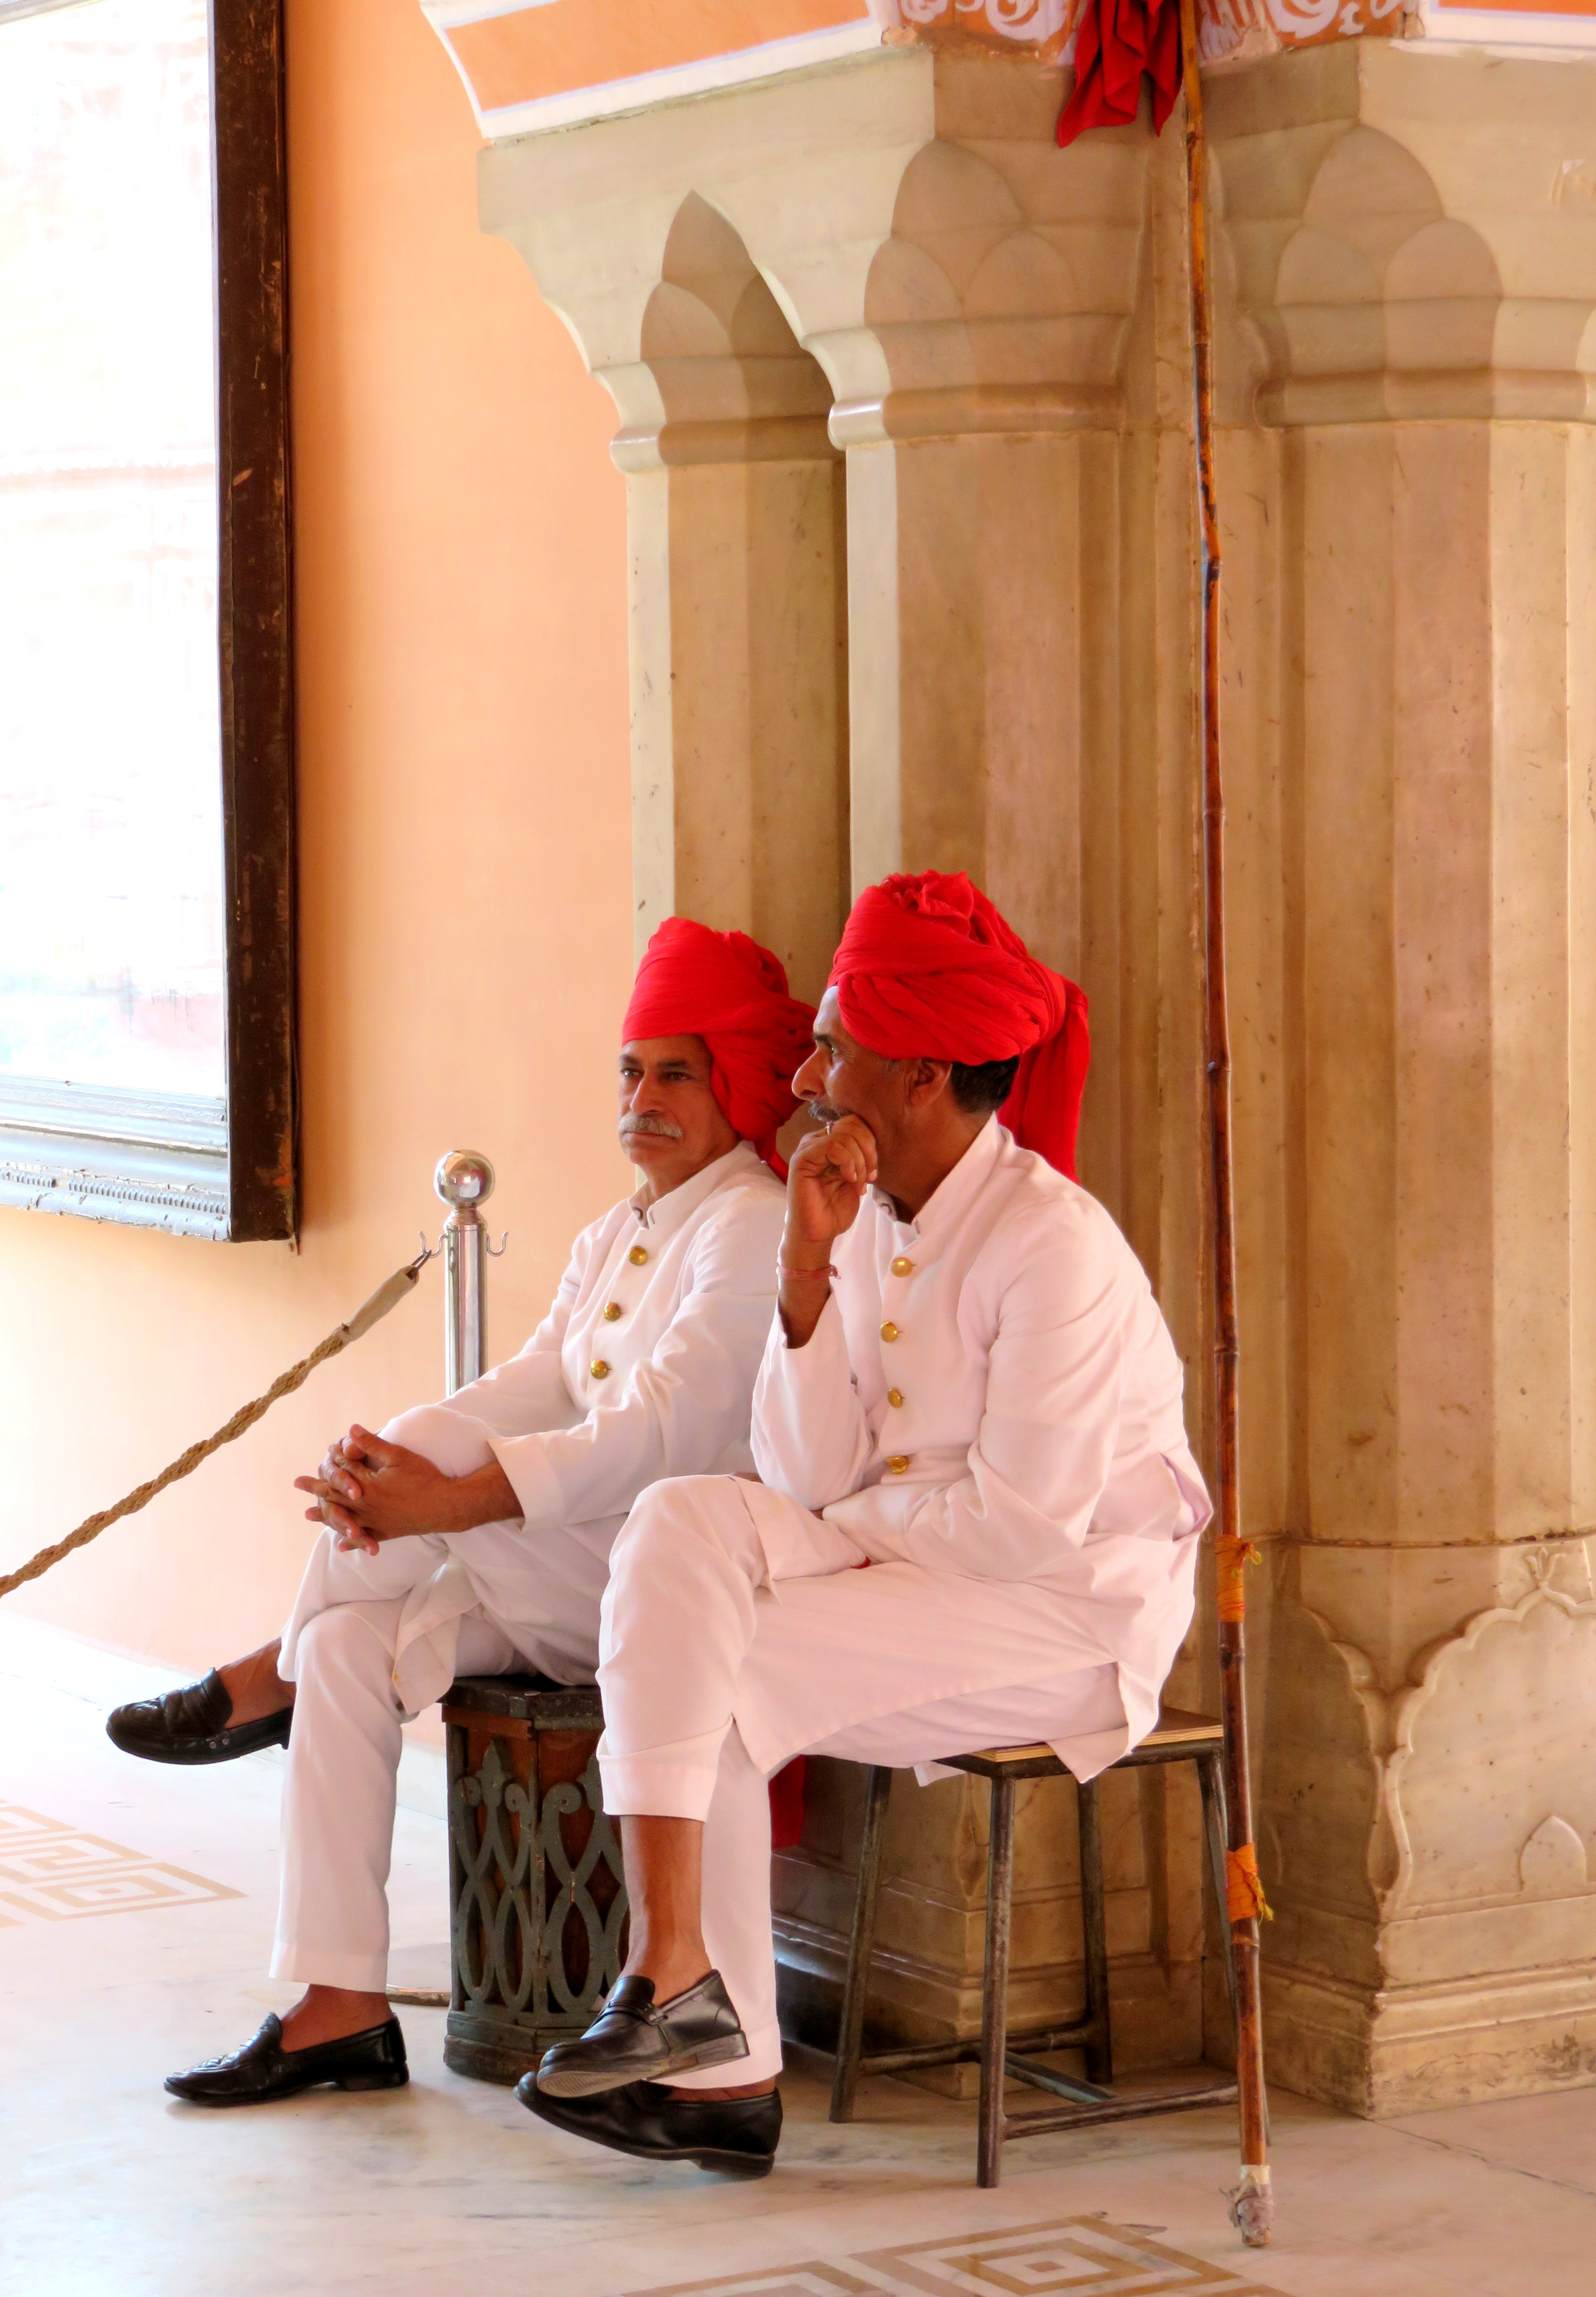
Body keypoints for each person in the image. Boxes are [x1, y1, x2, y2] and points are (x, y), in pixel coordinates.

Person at [520, 872, 1210, 2179]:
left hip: (1066, 1613)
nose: (804, 1077)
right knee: (676, 1524)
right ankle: (675, 1976)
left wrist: (853, 1518)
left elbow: (1019, 1531)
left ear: (926, 1072)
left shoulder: (1053, 1245)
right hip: (910, 1558)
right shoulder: (858, 1211)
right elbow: (804, 1470)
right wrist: (803, 1265)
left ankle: (721, 2070)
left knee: (709, 1677)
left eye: (833, 1047)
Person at [106, 919, 812, 2109]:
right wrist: (393, 1458)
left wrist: (440, 1501)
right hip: (558, 1568)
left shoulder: (750, 1223)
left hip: (656, 1587)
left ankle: (264, 1676)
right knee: (348, 1644)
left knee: (410, 1528)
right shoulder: (622, 1229)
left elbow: (659, 1434)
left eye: (676, 1074)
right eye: (630, 1073)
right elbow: (534, 1383)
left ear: (735, 1085)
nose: (642, 1099)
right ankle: (339, 2006)